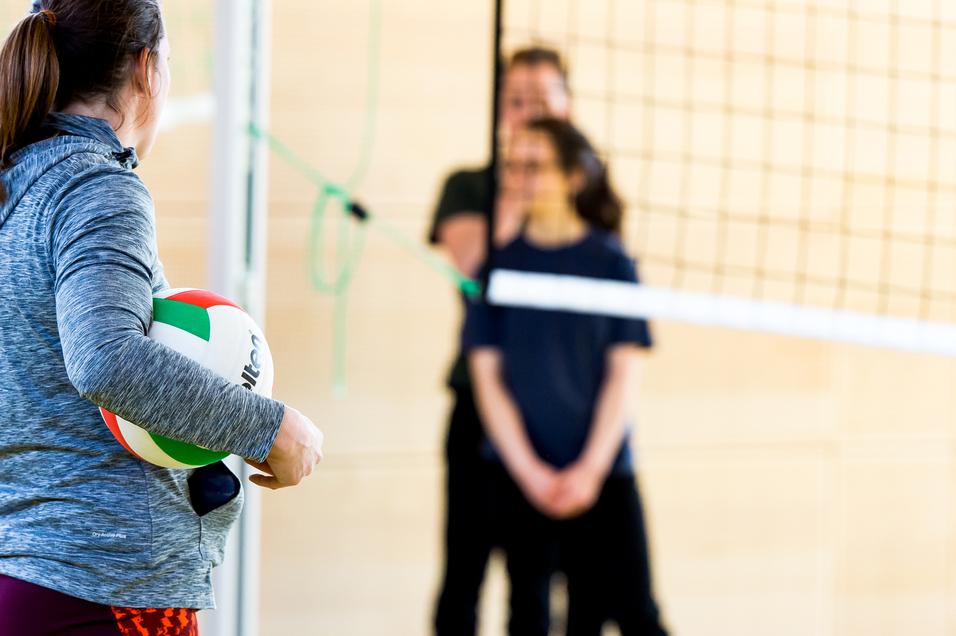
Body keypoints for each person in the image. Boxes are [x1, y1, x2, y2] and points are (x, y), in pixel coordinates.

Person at [0, 2, 323, 634]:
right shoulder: (96, 187)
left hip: (27, 579)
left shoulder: (15, 184)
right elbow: (107, 359)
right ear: (147, 69)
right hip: (103, 588)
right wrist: (272, 427)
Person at [463, 118, 669, 635]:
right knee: (528, 616)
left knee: (634, 612)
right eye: (513, 165)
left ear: (574, 177)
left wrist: (589, 473)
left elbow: (623, 377)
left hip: (604, 473)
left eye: (535, 166)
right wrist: (532, 473)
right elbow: (488, 382)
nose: (519, 177)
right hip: (520, 475)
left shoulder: (612, 262)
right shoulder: (498, 266)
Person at [429, 47, 572, 635]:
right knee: (463, 577)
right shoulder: (468, 187)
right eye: (516, 102)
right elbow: (475, 264)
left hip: (554, 415)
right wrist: (520, 177)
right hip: (478, 411)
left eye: (541, 102)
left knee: (535, 584)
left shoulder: (582, 198)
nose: (529, 113)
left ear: (569, 107)